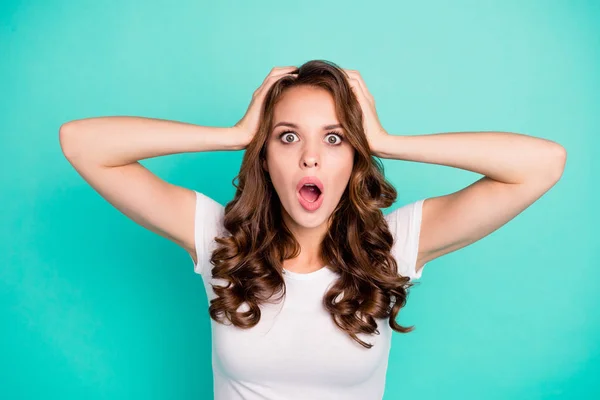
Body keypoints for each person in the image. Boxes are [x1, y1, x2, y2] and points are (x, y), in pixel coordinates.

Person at [59, 60, 567, 400]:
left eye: (334, 138)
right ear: (265, 156)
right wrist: (235, 134)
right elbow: (81, 143)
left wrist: (389, 142)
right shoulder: (220, 240)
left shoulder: (392, 247)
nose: (310, 156)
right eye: (286, 137)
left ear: (354, 156)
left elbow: (542, 164)